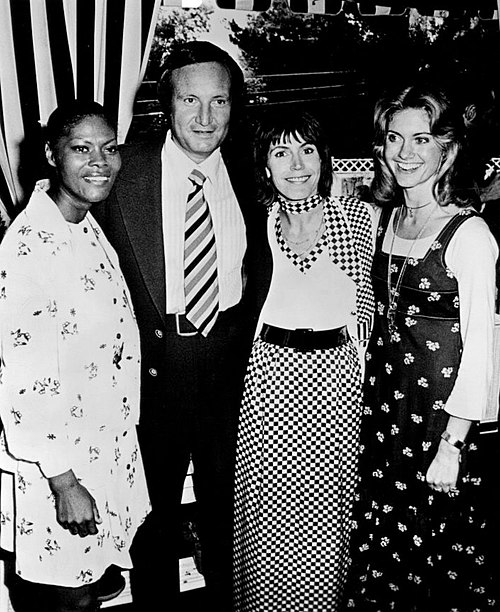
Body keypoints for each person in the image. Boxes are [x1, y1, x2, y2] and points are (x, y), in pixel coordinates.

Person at [92, 41, 266, 611]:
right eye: (190, 99)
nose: (205, 117)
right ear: (166, 104)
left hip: (232, 372)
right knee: (154, 523)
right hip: (150, 375)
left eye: (219, 101)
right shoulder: (122, 169)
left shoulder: (250, 171)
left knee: (231, 518)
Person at [343, 84, 499, 611]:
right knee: (388, 546)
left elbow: (482, 347)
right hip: (386, 410)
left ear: (448, 150)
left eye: (422, 139)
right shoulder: (383, 220)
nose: (405, 153)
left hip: (439, 421)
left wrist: (454, 445)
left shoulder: (469, 233)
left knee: (438, 555)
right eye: (394, 138)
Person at [0, 100, 150, 612]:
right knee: (68, 598)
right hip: (58, 467)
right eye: (81, 148)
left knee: (93, 588)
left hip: (99, 453)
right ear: (50, 154)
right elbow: (22, 378)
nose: (100, 161)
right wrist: (64, 481)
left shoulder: (85, 228)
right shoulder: (28, 247)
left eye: (110, 148)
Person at [232, 110, 376, 611]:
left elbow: (368, 312)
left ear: (323, 158)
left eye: (307, 150)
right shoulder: (256, 223)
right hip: (268, 383)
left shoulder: (357, 220)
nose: (296, 164)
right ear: (264, 166)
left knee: (322, 524)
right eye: (280, 153)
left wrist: (361, 390)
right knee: (267, 519)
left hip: (334, 381)